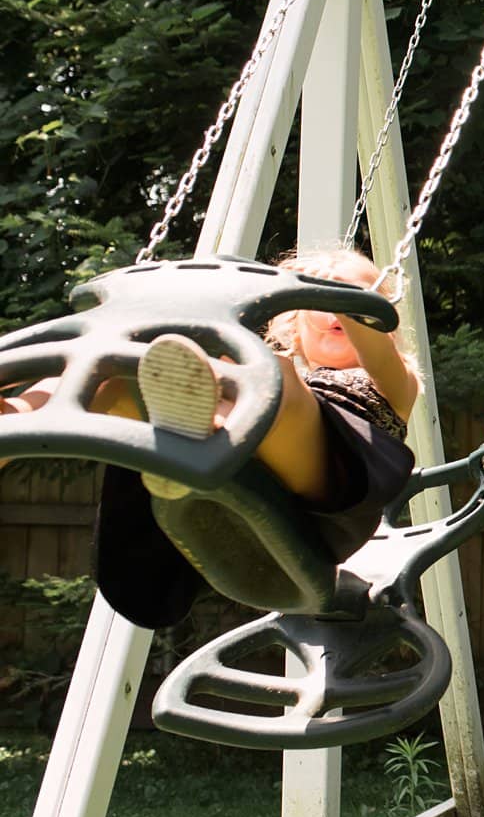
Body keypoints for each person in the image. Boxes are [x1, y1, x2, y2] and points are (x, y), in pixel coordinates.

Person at [0, 248, 421, 629]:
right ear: (296, 324)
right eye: (322, 306)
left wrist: (340, 297)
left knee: (274, 379)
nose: (335, 312)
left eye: (355, 295)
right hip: (251, 467)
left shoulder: (395, 378)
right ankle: (17, 415)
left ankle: (198, 436)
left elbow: (378, 355)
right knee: (115, 372)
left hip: (331, 500)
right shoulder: (258, 369)